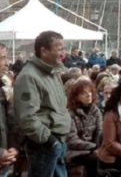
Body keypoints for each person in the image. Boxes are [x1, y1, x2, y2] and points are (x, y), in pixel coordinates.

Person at [14, 30, 71, 177]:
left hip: (56, 142)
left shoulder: (53, 73)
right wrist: (49, 140)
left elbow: (59, 107)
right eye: (59, 49)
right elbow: (27, 117)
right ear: (44, 51)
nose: (63, 53)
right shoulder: (29, 77)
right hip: (44, 146)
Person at [66, 79, 102, 177]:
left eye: (90, 92)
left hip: (94, 148)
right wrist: (93, 147)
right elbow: (72, 139)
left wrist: (99, 147)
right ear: (76, 97)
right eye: (84, 93)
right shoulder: (70, 114)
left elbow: (99, 132)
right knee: (93, 159)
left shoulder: (95, 111)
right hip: (74, 151)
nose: (88, 95)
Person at [0, 44, 17, 177]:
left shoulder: (4, 86)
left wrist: (13, 146)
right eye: (2, 58)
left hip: (5, 159)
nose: (7, 63)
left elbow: (9, 121)